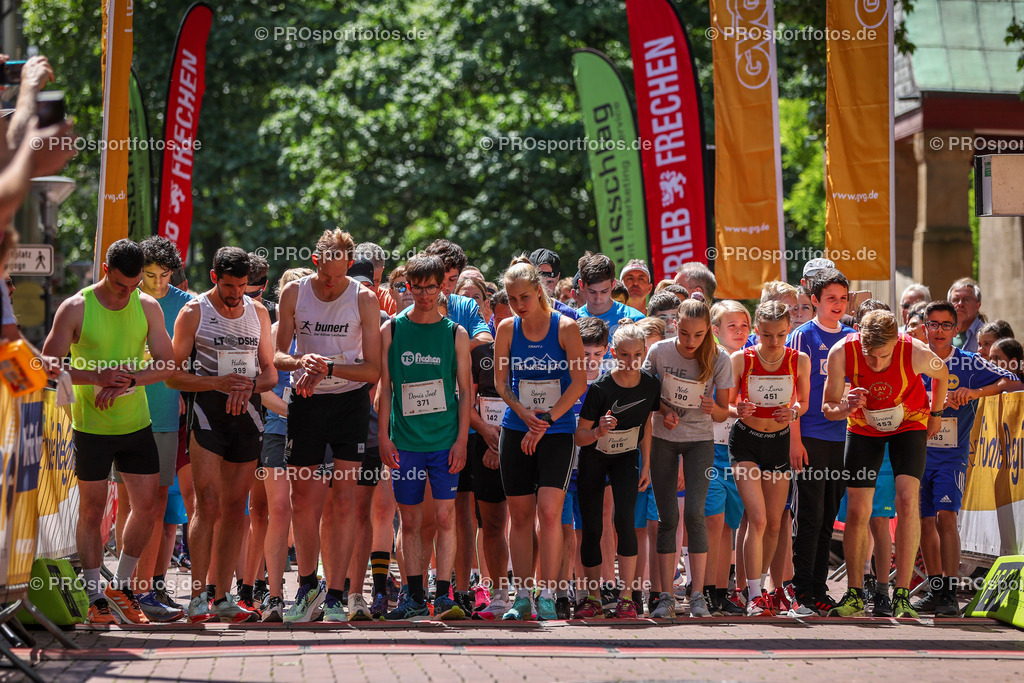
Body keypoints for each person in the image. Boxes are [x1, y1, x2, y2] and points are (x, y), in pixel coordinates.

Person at [42, 239, 176, 625]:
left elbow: (166, 364)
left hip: (136, 423)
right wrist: (93, 377)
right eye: (121, 285)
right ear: (106, 269)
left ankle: (119, 586)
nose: (128, 292)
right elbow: (48, 365)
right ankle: (94, 596)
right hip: (90, 426)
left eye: (135, 285)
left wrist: (130, 380)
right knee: (92, 510)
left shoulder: (147, 306)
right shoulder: (76, 307)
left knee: (149, 507)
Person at [273, 229, 382, 622]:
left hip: (350, 403)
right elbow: (275, 356)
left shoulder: (364, 298)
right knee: (301, 498)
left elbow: (373, 368)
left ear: (349, 265)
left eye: (339, 274)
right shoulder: (295, 293)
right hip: (306, 401)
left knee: (344, 502)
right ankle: (306, 586)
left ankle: (337, 593)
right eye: (325, 271)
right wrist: (303, 363)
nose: (331, 280)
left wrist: (329, 366)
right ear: (316, 260)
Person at [166, 247, 276, 623]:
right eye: (229, 286)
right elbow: (172, 373)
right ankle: (197, 596)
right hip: (208, 413)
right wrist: (216, 382)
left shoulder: (258, 311)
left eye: (243, 286)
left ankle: (224, 595)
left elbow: (271, 374)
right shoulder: (194, 311)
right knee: (207, 504)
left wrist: (249, 387)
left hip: (247, 416)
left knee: (235, 508)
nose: (236, 295)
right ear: (214, 277)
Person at [823, 310, 948, 619]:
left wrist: (936, 414)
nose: (876, 363)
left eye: (883, 356)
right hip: (864, 429)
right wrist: (846, 405)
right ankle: (854, 593)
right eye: (870, 357)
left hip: (909, 425)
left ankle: (901, 594)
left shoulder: (915, 351)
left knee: (907, 500)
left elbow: (942, 373)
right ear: (860, 342)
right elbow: (828, 408)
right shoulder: (843, 352)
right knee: (857, 509)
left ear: (897, 341)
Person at [378, 253, 472, 620]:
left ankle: (445, 595)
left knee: (446, 518)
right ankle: (413, 596)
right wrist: (385, 437)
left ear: (442, 287)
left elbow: (466, 391)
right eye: (415, 288)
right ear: (407, 287)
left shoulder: (455, 333)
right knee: (410, 520)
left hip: (445, 441)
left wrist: (462, 440)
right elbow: (384, 389)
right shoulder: (393, 329)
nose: (424, 295)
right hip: (405, 442)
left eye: (431, 287)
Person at [494, 257, 587, 620]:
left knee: (549, 513)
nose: (519, 304)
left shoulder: (566, 327)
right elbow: (501, 383)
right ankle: (521, 595)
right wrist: (524, 415)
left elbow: (579, 383)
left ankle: (547, 593)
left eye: (525, 297)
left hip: (557, 430)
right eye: (512, 298)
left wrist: (545, 420)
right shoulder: (506, 328)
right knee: (519, 515)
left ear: (540, 291)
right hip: (518, 427)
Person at [915, 301, 1021, 616]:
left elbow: (1012, 381)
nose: (939, 330)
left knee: (945, 517)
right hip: (917, 453)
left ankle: (950, 592)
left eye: (946, 325)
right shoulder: (913, 360)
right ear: (925, 327)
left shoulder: (970, 364)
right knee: (923, 521)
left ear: (956, 328)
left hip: (952, 456)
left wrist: (974, 394)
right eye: (933, 324)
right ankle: (934, 589)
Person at [116, 236, 193, 623]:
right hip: (120, 415)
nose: (159, 283)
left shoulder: (184, 303)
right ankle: (124, 588)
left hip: (163, 418)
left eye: (165, 276)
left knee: (155, 507)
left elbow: (190, 362)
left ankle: (143, 590)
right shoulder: (122, 297)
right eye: (150, 275)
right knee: (127, 504)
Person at [644, 299, 732, 618]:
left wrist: (713, 408)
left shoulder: (719, 358)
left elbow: (724, 412)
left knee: (694, 514)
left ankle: (697, 596)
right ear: (675, 326)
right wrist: (665, 411)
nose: (690, 341)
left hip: (700, 441)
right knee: (668, 518)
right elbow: (646, 395)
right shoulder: (659, 352)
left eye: (697, 335)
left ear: (708, 330)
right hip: (663, 440)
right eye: (683, 333)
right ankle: (665, 596)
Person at [729, 302, 810, 616]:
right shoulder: (742, 358)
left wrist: (793, 412)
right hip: (746, 443)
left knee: (775, 524)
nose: (773, 341)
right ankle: (752, 595)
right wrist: (739, 409)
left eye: (779, 334)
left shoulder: (798, 360)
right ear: (756, 331)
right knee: (758, 519)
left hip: (778, 442)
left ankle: (763, 590)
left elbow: (803, 401)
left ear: (788, 329)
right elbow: (726, 405)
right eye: (766, 335)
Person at [574, 323, 660, 619]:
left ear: (645, 353)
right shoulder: (600, 389)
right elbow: (579, 436)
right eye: (624, 355)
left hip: (627, 459)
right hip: (595, 459)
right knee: (593, 526)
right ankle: (593, 596)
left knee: (625, 522)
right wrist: (599, 430)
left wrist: (646, 463)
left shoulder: (650, 384)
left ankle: (627, 597)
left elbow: (646, 423)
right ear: (614, 353)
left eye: (637, 354)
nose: (631, 361)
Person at [785, 268, 855, 617]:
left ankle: (819, 588)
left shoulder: (854, 336)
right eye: (830, 298)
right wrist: (794, 440)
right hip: (809, 437)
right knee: (809, 516)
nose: (837, 304)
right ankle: (801, 591)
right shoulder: (803, 336)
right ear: (814, 301)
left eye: (843, 298)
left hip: (842, 440)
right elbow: (792, 393)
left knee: (828, 515)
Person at [247, 267, 311, 622]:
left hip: (316, 433)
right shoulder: (270, 332)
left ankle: (310, 589)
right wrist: (290, 410)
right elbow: (263, 385)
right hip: (276, 431)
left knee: (309, 511)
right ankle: (273, 596)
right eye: (291, 294)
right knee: (279, 512)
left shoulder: (319, 334)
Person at [466, 289, 515, 619]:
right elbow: (464, 401)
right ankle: (498, 593)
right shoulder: (477, 351)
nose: (503, 324)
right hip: (483, 444)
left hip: (529, 442)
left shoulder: (543, 346)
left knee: (529, 521)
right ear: (487, 313)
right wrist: (488, 437)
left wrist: (506, 445)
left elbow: (544, 400)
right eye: (496, 317)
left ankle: (534, 592)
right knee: (492, 524)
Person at [706, 301, 749, 615]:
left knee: (731, 526)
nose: (739, 331)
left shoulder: (756, 360)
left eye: (744, 325)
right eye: (731, 326)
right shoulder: (708, 361)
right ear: (715, 330)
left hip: (742, 454)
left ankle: (725, 592)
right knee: (714, 522)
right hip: (708, 450)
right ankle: (707, 590)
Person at [577, 253, 644, 356]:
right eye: (592, 292)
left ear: (613, 284)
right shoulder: (572, 320)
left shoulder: (635, 318)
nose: (598, 298)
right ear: (581, 285)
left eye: (604, 291)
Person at [528, 248, 579, 320]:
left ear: (557, 278)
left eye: (549, 282)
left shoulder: (570, 316)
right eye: (538, 282)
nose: (543, 288)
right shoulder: (517, 310)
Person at [354, 241, 397, 315]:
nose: (370, 290)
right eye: (365, 283)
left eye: (376, 281)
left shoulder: (391, 301)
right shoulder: (339, 298)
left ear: (382, 270)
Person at [948, 278, 983, 353]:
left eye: (966, 300)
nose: (960, 304)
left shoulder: (986, 335)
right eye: (955, 300)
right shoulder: (942, 332)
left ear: (977, 306)